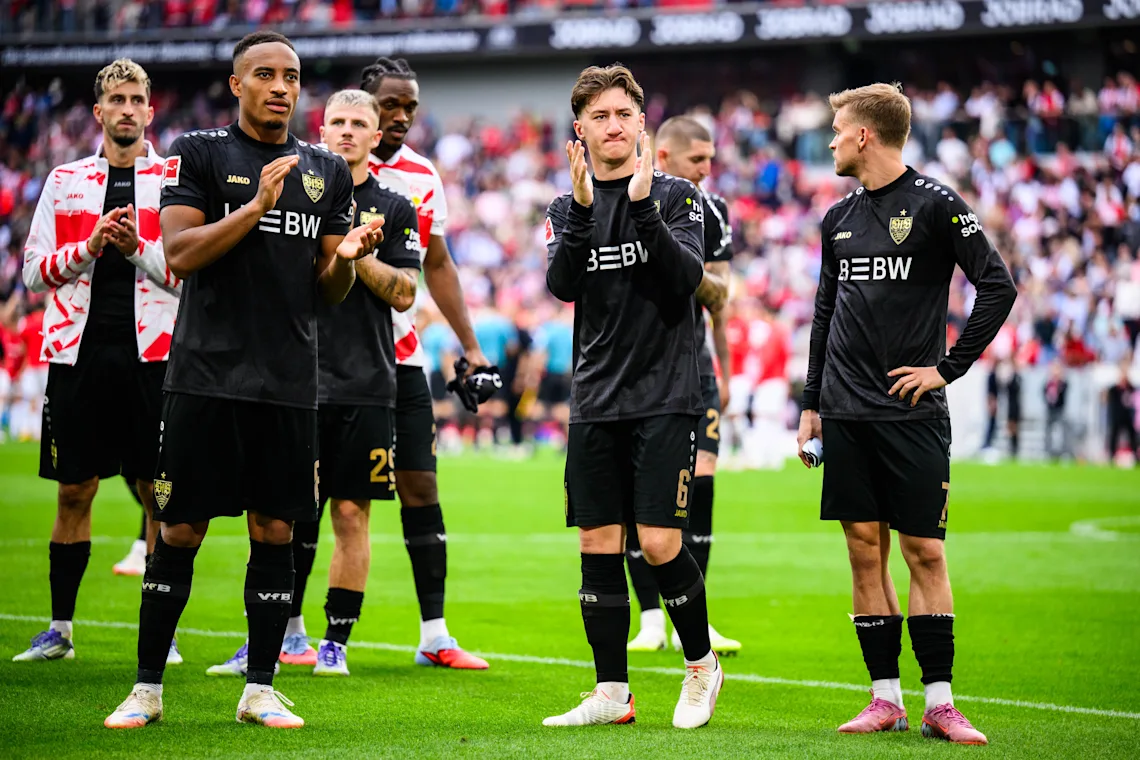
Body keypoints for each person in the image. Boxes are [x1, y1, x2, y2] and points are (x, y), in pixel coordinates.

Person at [103, 31, 382, 730]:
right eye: (265, 74)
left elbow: (330, 290)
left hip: (289, 382)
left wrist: (347, 256)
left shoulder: (327, 171)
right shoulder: (199, 154)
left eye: (290, 75)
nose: (281, 86)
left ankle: (259, 687)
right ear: (237, 84)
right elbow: (181, 252)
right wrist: (255, 209)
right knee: (181, 530)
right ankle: (146, 688)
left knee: (277, 530)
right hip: (203, 376)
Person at [799, 82, 1016, 745]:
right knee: (865, 553)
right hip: (844, 411)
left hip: (911, 413)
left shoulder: (938, 205)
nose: (831, 139)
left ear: (864, 135)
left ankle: (941, 702)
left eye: (837, 129)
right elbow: (824, 314)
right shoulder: (836, 218)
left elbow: (998, 286)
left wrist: (946, 369)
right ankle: (885, 697)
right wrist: (812, 405)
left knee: (924, 551)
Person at [207, 89, 422, 678]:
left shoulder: (395, 206)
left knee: (352, 513)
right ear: (320, 129)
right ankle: (279, 637)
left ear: (377, 136)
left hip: (366, 382)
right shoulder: (291, 189)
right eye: (338, 122)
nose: (348, 132)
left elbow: (406, 294)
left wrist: (350, 254)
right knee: (284, 511)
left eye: (360, 123)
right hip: (294, 377)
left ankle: (336, 641)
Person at [542, 64, 723, 729]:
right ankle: (611, 692)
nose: (613, 126)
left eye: (623, 114)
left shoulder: (678, 197)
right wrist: (586, 211)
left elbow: (685, 281)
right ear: (580, 130)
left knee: (658, 544)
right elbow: (562, 285)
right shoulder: (566, 206)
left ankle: (701, 666)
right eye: (599, 116)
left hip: (665, 396)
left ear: (641, 123)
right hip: (595, 398)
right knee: (596, 541)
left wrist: (643, 207)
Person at [15, 58, 181, 665]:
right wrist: (88, 248)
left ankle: (163, 631)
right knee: (73, 492)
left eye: (138, 98)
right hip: (77, 355)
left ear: (150, 109)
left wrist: (137, 250)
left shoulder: (173, 181)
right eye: (118, 100)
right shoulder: (65, 181)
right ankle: (59, 628)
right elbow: (34, 274)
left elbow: (189, 277)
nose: (129, 109)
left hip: (154, 356)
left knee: (158, 494)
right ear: (99, 112)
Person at [358, 56, 490, 669]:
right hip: (327, 359)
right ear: (363, 103)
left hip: (402, 355)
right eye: (391, 103)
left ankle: (434, 634)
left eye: (410, 105)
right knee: (310, 493)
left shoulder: (420, 175)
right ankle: (288, 634)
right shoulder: (324, 167)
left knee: (420, 485)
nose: (403, 115)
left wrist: (471, 347)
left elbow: (438, 264)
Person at [624, 115, 740, 657]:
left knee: (704, 480)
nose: (708, 170)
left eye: (711, 160)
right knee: (633, 492)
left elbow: (720, 298)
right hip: (635, 368)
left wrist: (726, 371)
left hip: (696, 368)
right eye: (699, 160)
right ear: (663, 156)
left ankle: (698, 611)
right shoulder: (622, 195)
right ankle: (650, 615)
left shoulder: (712, 211)